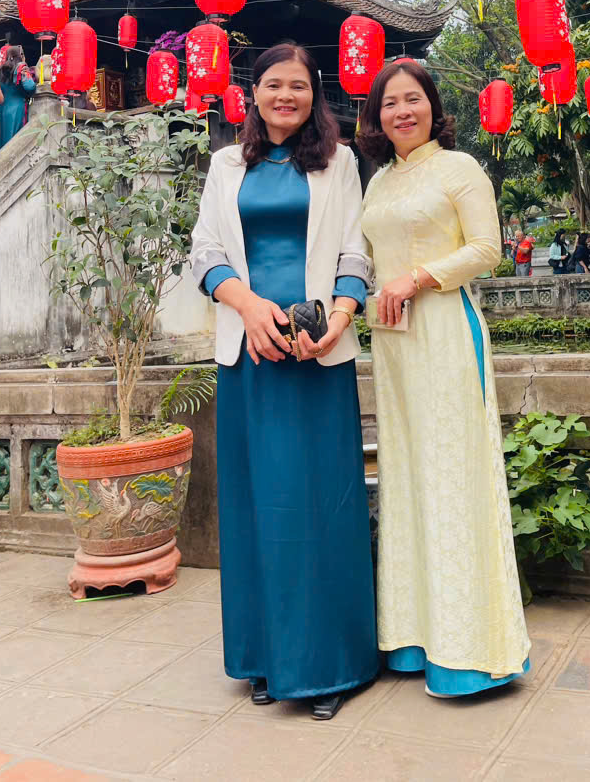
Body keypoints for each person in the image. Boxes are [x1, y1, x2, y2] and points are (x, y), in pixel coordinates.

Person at [189, 43, 377, 721]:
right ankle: (265, 656)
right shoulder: (224, 166)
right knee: (257, 509)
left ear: (314, 93)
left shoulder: (340, 162)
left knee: (321, 506)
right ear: (254, 93)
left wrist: (341, 316)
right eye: (274, 84)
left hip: (318, 352)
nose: (285, 96)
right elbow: (204, 251)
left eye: (298, 86)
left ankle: (331, 665)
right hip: (250, 356)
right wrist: (247, 306)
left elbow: (356, 249)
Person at [358, 59, 530, 699]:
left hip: (445, 331)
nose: (403, 112)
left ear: (433, 106)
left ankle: (471, 652)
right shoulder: (378, 182)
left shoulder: (460, 168)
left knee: (455, 477)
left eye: (414, 99)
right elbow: (363, 256)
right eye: (390, 103)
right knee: (406, 477)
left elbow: (487, 248)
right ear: (376, 117)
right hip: (393, 344)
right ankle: (412, 639)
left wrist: (418, 277)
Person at [0, 45, 37, 145]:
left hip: (2, 108)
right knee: (15, 140)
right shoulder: (21, 67)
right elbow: (30, 86)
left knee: (4, 139)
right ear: (21, 55)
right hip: (17, 108)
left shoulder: (2, 70)